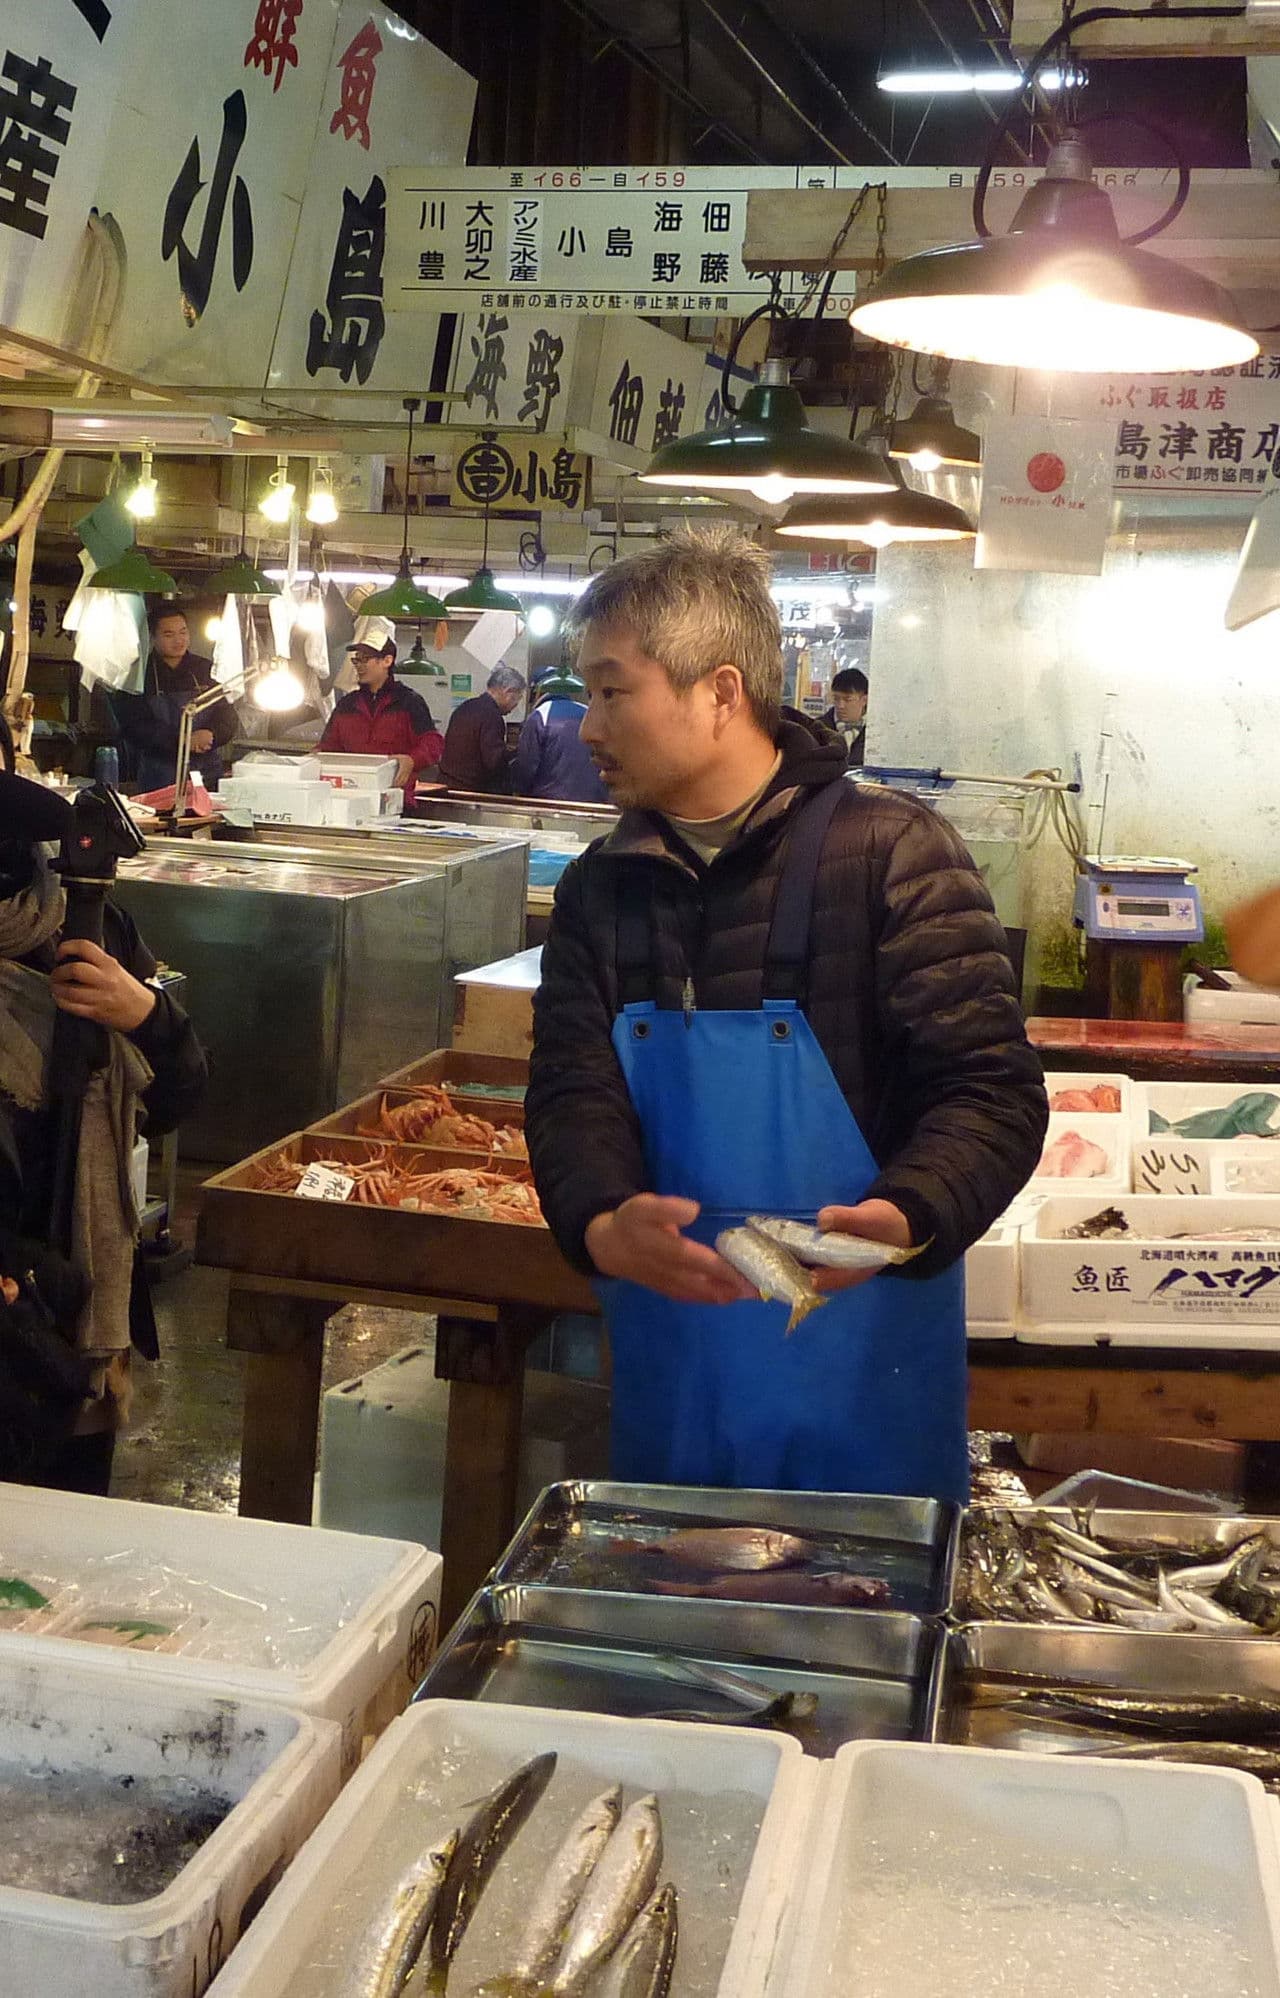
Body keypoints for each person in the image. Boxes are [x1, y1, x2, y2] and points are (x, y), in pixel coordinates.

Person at [524, 528, 1046, 1503]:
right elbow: (568, 1090)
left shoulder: (891, 854)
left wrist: (904, 1214)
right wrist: (596, 1216)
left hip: (866, 1378)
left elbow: (988, 1092)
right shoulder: (602, 888)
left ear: (719, 692)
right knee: (679, 1624)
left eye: (610, 690)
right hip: (675, 1375)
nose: (584, 726)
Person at [0, 720, 208, 1492]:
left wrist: (145, 1014)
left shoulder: (88, 921)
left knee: (58, 1579)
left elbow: (181, 1092)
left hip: (73, 1320)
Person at [317, 615, 445, 807]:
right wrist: (309, 761)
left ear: (387, 660)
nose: (359, 665)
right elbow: (328, 747)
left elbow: (433, 743)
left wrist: (412, 760)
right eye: (356, 660)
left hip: (396, 804)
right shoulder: (346, 705)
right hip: (349, 802)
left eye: (365, 659)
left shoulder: (409, 702)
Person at [117, 605, 240, 794]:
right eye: (169, 635)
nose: (178, 640)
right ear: (153, 637)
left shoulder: (206, 670)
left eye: (183, 632)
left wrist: (211, 734)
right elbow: (134, 725)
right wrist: (180, 740)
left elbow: (227, 716)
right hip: (159, 774)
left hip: (207, 772)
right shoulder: (139, 675)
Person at [509, 669, 610, 804]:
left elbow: (527, 766)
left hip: (550, 803)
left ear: (537, 692)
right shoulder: (588, 712)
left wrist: (518, 791)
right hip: (594, 803)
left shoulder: (540, 716)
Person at [439, 663, 527, 793]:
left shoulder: (465, 707)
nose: (515, 706)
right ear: (508, 691)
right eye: (517, 699)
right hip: (470, 793)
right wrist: (517, 755)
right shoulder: (492, 716)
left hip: (446, 787)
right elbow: (494, 762)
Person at [821, 667, 869, 768]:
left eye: (848, 699)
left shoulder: (875, 732)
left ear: (864, 700)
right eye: (836, 699)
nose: (840, 705)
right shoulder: (819, 729)